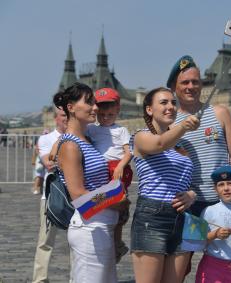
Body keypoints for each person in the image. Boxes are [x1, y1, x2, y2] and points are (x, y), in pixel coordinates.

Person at [130, 87, 200, 283]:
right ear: (149, 110)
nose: (170, 107)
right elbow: (159, 144)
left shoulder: (182, 147)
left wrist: (191, 195)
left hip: (182, 218)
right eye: (163, 103)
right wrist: (184, 126)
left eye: (173, 103)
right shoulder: (140, 136)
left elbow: (190, 183)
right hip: (152, 218)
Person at [53, 82, 120, 282]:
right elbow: (79, 196)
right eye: (89, 102)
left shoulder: (88, 139)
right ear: (71, 107)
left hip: (101, 224)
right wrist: (115, 199)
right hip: (89, 226)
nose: (96, 108)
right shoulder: (71, 145)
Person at [169, 55, 231, 218]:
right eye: (185, 82)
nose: (191, 86)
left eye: (195, 81)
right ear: (173, 87)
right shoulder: (169, 123)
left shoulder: (220, 113)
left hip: (222, 201)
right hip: (187, 203)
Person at [86, 87, 133, 263]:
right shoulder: (92, 129)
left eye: (110, 115)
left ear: (117, 111)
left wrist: (121, 165)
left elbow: (129, 152)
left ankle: (117, 241)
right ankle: (105, 238)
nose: (105, 118)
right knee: (100, 205)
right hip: (100, 169)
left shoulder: (121, 130)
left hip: (116, 169)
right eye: (102, 115)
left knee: (119, 205)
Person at [32, 108, 67, 283]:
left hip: (77, 197)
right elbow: (49, 163)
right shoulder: (46, 138)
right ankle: (40, 279)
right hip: (51, 197)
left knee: (77, 243)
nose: (66, 119)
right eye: (62, 116)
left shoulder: (83, 136)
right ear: (55, 119)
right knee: (45, 241)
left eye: (69, 116)